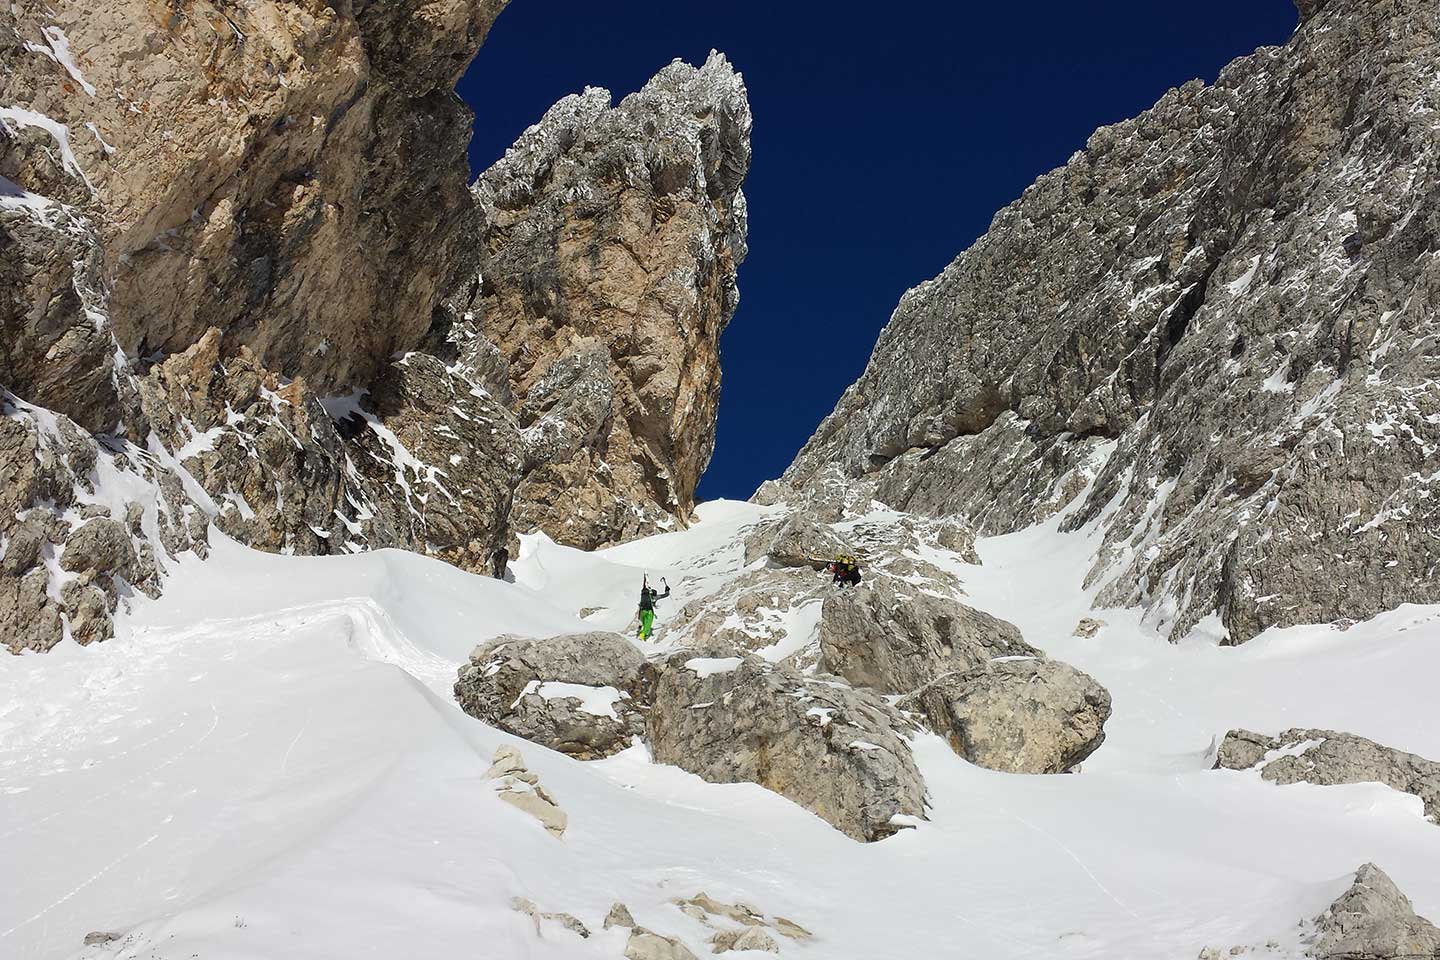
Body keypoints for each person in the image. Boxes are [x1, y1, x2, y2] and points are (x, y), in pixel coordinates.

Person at [637, 575, 670, 640]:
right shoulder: (655, 597)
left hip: (641, 612)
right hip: (649, 612)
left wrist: (644, 579)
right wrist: (667, 589)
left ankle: (642, 634)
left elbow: (644, 587)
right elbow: (666, 595)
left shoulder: (643, 596)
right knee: (648, 625)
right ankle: (642, 636)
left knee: (644, 624)